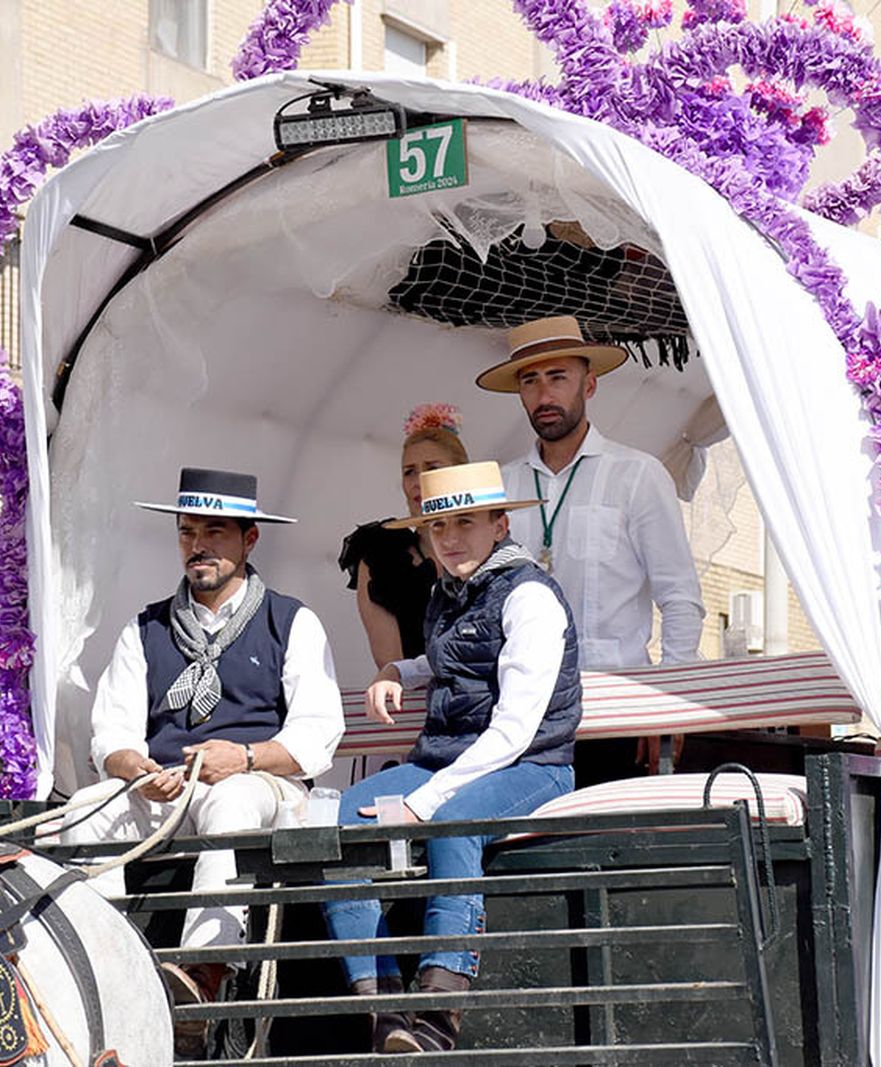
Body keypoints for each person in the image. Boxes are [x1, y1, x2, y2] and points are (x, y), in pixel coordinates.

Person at [57, 467, 344, 1058]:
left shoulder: (291, 622)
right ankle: (104, 965)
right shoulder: (146, 629)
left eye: (215, 532)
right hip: (168, 791)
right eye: (188, 533)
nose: (199, 546)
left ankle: (202, 977)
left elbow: (317, 738)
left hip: (261, 784)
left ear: (249, 540)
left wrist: (240, 756)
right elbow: (109, 734)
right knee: (86, 808)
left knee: (232, 799)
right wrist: (138, 770)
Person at [324, 461, 579, 1054]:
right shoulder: (451, 591)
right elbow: (450, 660)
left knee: (450, 822)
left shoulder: (531, 596)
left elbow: (516, 730)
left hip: (534, 767)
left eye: (466, 523)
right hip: (450, 756)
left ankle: (440, 1010)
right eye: (439, 528)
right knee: (338, 827)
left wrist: (425, 799)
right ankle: (382, 1010)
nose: (451, 538)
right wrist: (399, 670)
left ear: (497, 525)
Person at [481, 315, 705, 787]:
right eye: (530, 381)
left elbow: (679, 596)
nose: (544, 396)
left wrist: (666, 705)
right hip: (521, 712)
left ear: (590, 384)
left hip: (613, 708)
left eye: (558, 377)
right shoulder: (500, 485)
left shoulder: (637, 476)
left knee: (604, 851)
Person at [339, 403, 469, 667]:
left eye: (432, 468)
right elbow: (390, 663)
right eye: (409, 471)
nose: (419, 480)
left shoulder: (489, 547)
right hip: (412, 701)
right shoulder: (382, 553)